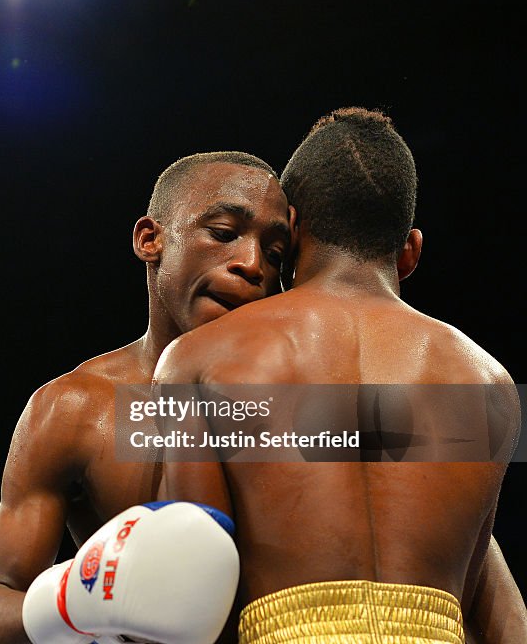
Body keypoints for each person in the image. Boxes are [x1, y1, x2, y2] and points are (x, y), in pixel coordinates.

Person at [154, 107, 526, 643]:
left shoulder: (198, 360)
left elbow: (195, 591)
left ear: (295, 226)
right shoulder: (491, 384)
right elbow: (476, 594)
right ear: (411, 251)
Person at [0, 151, 293, 643]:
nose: (251, 265)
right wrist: (81, 598)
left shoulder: (302, 407)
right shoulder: (79, 409)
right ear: (150, 239)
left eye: (275, 255)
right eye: (223, 232)